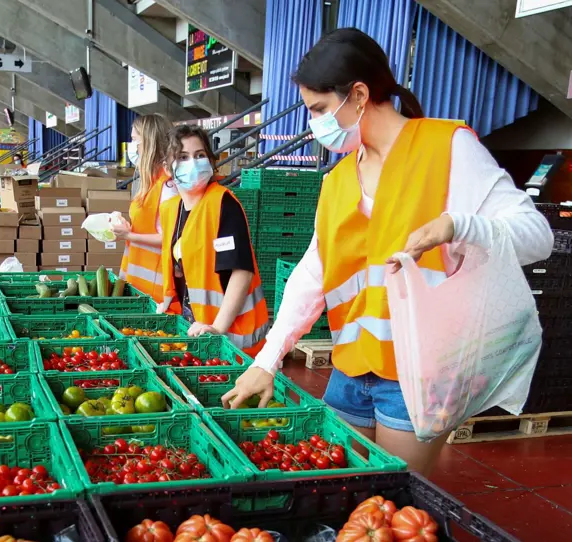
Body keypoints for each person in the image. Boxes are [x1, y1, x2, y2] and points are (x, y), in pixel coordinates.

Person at [223, 28, 554, 475]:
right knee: (349, 498)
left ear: (358, 95)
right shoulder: (337, 181)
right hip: (349, 371)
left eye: (319, 109)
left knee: (397, 507)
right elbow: (313, 274)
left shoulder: (446, 147)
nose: (314, 124)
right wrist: (270, 357)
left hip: (417, 374)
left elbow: (537, 236)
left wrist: (459, 226)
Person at [157, 124, 270, 357]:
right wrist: (168, 300)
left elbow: (241, 272)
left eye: (200, 155)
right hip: (196, 326)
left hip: (231, 336)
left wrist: (217, 327)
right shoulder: (171, 209)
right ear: (168, 168)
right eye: (182, 157)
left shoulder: (223, 204)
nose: (193, 163)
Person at [111, 114, 176, 303]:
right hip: (140, 284)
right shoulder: (149, 183)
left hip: (157, 291)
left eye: (134, 139)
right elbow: (147, 224)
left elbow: (169, 238)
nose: (132, 146)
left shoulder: (168, 186)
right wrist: (124, 226)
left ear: (150, 142)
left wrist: (128, 236)